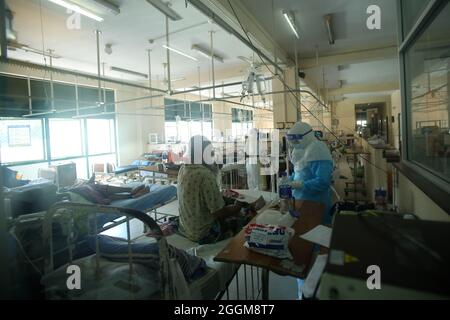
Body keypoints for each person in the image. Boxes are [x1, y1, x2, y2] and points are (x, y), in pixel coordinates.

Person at [177, 135, 243, 244]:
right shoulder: (205, 175)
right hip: (202, 233)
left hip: (186, 227)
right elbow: (219, 213)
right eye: (210, 153)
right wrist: (236, 208)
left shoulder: (183, 168)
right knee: (244, 218)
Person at [286, 121, 334, 224]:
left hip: (315, 202)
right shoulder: (299, 149)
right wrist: (289, 179)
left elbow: (323, 182)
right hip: (299, 199)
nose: (293, 143)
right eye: (291, 140)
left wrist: (299, 185)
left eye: (296, 140)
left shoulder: (318, 149)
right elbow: (300, 171)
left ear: (306, 136)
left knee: (315, 232)